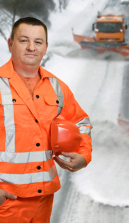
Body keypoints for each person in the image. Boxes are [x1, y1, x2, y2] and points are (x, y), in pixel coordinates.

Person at [0, 17, 93, 222]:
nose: (31, 47)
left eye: (38, 42)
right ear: (10, 44)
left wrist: (84, 155)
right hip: (7, 202)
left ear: (45, 47)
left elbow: (81, 122)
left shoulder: (56, 86)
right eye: (24, 40)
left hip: (44, 199)